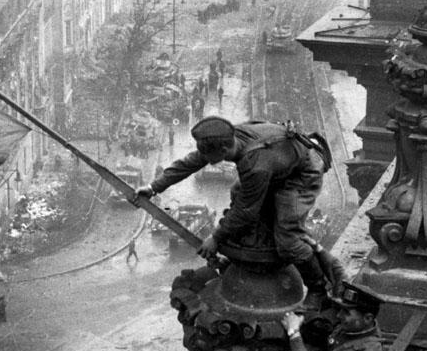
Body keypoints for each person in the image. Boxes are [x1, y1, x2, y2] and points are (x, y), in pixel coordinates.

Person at [133, 116, 330, 299]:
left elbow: (246, 210)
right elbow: (192, 162)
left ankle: (318, 288)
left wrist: (216, 237)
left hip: (303, 173)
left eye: (210, 156)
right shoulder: (227, 137)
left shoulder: (255, 166)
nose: (207, 161)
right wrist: (153, 188)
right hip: (282, 161)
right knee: (238, 190)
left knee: (288, 239)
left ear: (224, 149)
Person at [281, 281, 383, 351]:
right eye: (341, 310)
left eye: (346, 312)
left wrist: (294, 332)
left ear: (368, 318)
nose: (339, 315)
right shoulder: (360, 328)